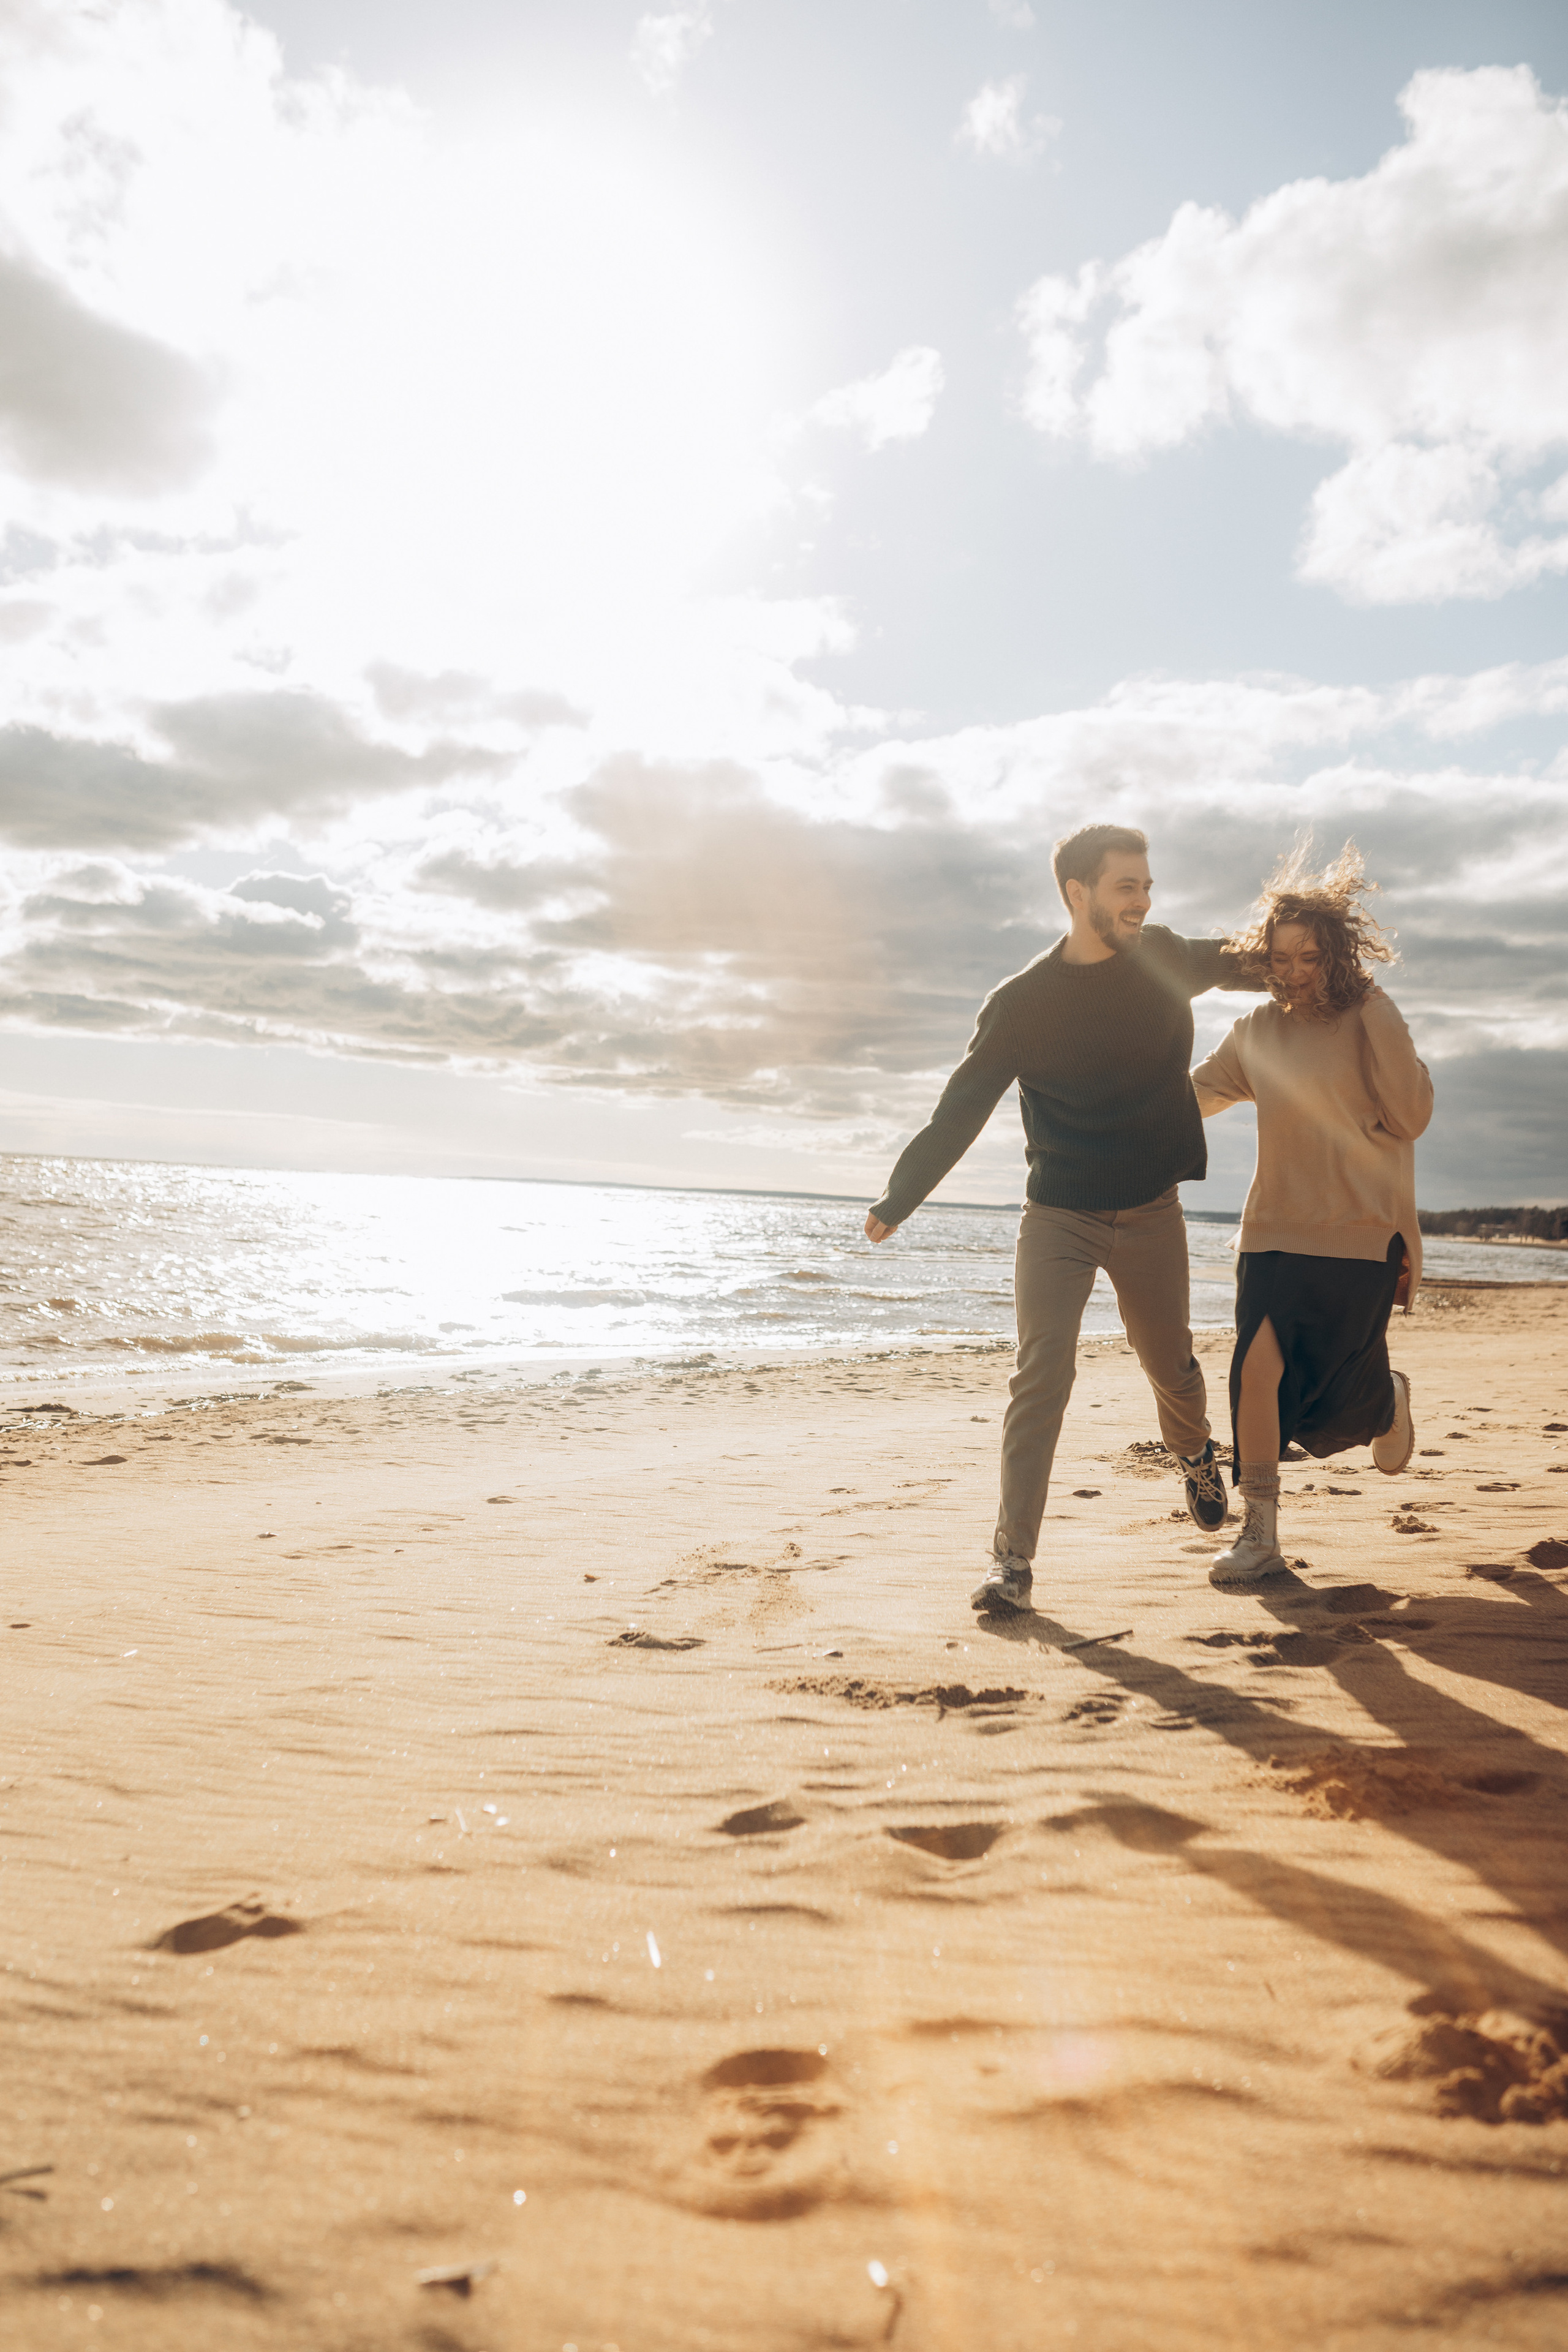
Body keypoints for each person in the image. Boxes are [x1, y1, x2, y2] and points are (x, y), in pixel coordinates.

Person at [864, 822, 1255, 1615]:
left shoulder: (1165, 958)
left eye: (1147, 885)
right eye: (1126, 887)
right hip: (1058, 1217)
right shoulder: (1021, 1005)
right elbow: (960, 1111)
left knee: (1170, 1364)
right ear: (1078, 895)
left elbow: (1253, 958)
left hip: (1151, 1211)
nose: (1144, 900)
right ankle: (1012, 1562)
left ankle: (1194, 1453)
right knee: (1041, 1374)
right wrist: (897, 1201)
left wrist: (1317, 954)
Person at [1190, 843, 1433, 1585]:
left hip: (1362, 1233)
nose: (1294, 972)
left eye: (1310, 957)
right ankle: (1258, 1534)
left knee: (1327, 1413)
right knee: (1255, 1370)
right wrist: (1109, 1098)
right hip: (1271, 1231)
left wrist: (1378, 1017)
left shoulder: (1370, 1014)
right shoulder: (1256, 1030)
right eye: (1281, 958)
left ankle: (1383, 1403)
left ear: (1338, 955)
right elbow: (1189, 1098)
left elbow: (1412, 1115)